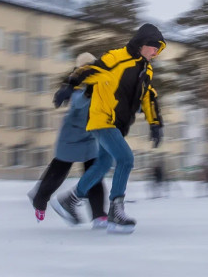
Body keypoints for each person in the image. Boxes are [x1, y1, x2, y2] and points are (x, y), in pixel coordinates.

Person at [50, 23, 166, 234]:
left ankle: (70, 200)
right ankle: (116, 211)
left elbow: (148, 97)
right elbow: (91, 69)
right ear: (141, 44)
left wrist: (155, 123)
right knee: (126, 159)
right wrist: (70, 85)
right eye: (153, 46)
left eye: (159, 48)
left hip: (119, 125)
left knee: (103, 164)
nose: (156, 51)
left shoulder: (146, 70)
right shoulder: (117, 58)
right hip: (103, 120)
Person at [27, 53, 108, 228]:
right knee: (59, 170)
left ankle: (99, 215)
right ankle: (39, 198)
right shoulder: (77, 85)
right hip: (72, 135)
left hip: (90, 135)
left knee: (94, 174)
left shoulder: (100, 82)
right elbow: (79, 102)